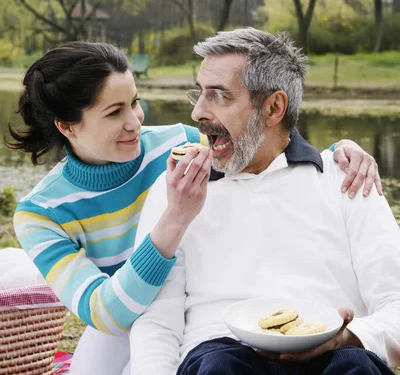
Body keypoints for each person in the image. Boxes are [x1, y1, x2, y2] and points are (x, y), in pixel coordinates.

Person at [8, 40, 380, 375]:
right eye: (113, 112)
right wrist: (175, 217)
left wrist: (338, 152)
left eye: (135, 103)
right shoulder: (40, 213)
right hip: (118, 320)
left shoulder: (177, 143)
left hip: (179, 302)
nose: (134, 122)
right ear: (68, 127)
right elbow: (105, 312)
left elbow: (261, 141)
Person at [128, 28, 400, 375]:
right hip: (220, 358)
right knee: (217, 365)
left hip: (335, 357)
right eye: (199, 94)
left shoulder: (347, 178)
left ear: (273, 108)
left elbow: (396, 305)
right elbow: (157, 324)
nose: (197, 112)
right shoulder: (177, 192)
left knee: (355, 367)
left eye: (218, 96)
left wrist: (346, 339)